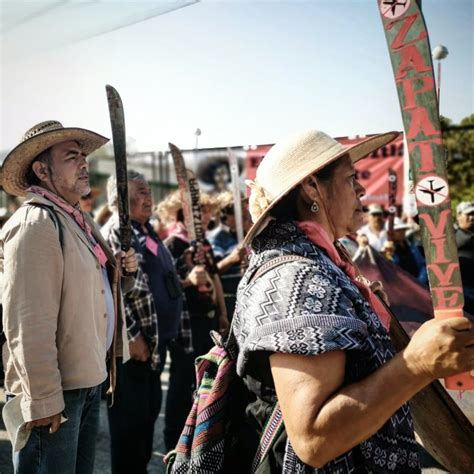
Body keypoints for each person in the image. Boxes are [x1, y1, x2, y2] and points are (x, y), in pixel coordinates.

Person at [232, 129, 473, 472]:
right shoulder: (298, 280)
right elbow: (315, 439)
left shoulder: (321, 263)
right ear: (312, 188)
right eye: (350, 178)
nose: (361, 189)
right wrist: (416, 364)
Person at [0, 120, 137, 474]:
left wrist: (123, 273)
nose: (84, 164)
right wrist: (44, 398)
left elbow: (92, 294)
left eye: (84, 157)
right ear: (42, 170)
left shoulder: (76, 220)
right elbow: (26, 322)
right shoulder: (36, 223)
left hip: (85, 379)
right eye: (72, 157)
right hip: (57, 391)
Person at [101, 171, 184, 473]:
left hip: (156, 346)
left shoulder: (146, 232)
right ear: (120, 198)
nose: (149, 197)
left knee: (146, 421)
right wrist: (131, 335)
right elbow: (109, 289)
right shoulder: (115, 232)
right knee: (129, 429)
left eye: (149, 191)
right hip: (134, 349)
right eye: (140, 191)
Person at [157, 190, 229, 450]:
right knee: (180, 383)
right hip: (184, 326)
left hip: (206, 321)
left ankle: (198, 441)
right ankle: (173, 444)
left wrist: (222, 312)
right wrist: (189, 280)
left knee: (204, 383)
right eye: (201, 211)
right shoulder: (172, 244)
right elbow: (165, 287)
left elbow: (215, 276)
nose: (207, 216)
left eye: (208, 211)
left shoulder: (204, 244)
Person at [208, 191, 247, 317]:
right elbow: (212, 272)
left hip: (245, 297)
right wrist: (231, 259)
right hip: (228, 300)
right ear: (225, 215)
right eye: (236, 211)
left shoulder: (244, 235)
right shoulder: (216, 238)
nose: (242, 214)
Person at [455, 201, 474, 315]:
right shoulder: (450, 236)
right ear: (458, 216)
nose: (472, 218)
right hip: (462, 293)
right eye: (468, 214)